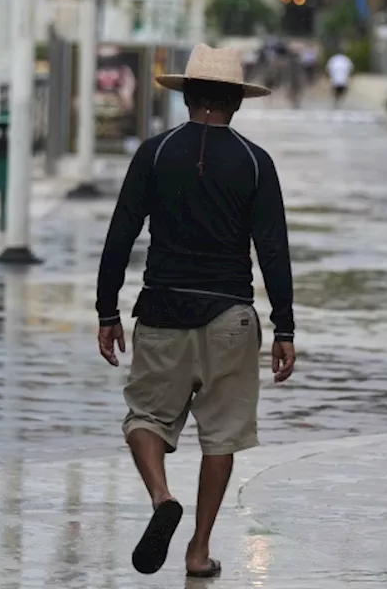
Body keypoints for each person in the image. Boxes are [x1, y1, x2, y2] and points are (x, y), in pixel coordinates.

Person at [95, 43, 297, 579]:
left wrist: (106, 311)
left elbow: (120, 234)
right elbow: (272, 250)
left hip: (162, 310)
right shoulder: (256, 162)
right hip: (230, 317)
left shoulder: (155, 154)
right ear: (236, 101)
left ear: (186, 96)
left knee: (144, 418)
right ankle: (197, 550)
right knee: (221, 436)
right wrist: (285, 326)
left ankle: (162, 496)